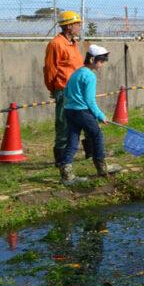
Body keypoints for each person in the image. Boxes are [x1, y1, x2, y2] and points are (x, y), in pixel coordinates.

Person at [61, 45, 121, 184]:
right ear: (93, 59)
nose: (102, 64)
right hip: (82, 112)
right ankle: (102, 167)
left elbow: (66, 92)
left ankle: (66, 175)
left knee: (73, 141)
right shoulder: (90, 76)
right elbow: (90, 100)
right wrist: (100, 116)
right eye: (101, 61)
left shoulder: (76, 73)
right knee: (97, 135)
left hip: (69, 111)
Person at [44, 11, 85, 171]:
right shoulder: (56, 44)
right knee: (63, 125)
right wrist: (53, 89)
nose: (79, 27)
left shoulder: (73, 43)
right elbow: (50, 70)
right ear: (69, 26)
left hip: (77, 90)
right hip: (64, 90)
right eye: (77, 24)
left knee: (86, 121)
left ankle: (91, 153)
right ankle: (60, 160)